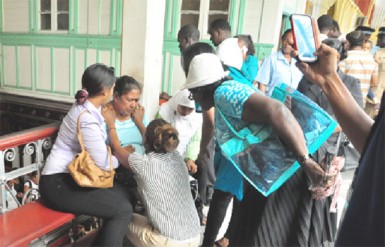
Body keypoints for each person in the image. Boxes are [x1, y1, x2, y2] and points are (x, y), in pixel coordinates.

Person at [182, 48, 327, 246]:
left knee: (264, 234)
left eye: (193, 94)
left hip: (286, 166)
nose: (195, 100)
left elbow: (277, 110)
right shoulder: (228, 89)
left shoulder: (225, 93)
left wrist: (306, 161)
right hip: (274, 168)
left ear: (201, 89)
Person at [295, 42, 384, 247]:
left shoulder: (351, 82)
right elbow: (375, 145)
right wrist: (328, 80)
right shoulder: (307, 81)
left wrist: (322, 126)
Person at [39, 63, 133, 246]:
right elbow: (104, 163)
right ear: (105, 91)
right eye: (113, 86)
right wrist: (121, 157)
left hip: (75, 175)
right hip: (58, 183)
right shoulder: (87, 118)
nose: (114, 90)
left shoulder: (91, 107)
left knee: (126, 195)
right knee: (122, 210)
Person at [102, 115, 201, 247]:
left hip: (169, 242)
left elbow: (117, 149)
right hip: (195, 236)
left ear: (145, 140)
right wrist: (138, 121)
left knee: (118, 217)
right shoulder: (177, 157)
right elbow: (154, 139)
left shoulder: (143, 164)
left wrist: (110, 124)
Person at [298, 38, 363, 171]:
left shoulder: (350, 83)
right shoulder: (307, 79)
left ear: (336, 57)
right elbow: (297, 107)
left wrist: (326, 130)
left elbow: (356, 119)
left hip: (331, 145)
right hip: (303, 142)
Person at [157, 89, 202, 174]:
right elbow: (157, 135)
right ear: (177, 102)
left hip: (181, 161)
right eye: (183, 107)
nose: (186, 112)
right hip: (162, 158)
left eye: (190, 109)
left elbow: (195, 141)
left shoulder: (197, 118)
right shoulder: (165, 111)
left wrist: (190, 159)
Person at [105, 75, 148, 155]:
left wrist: (139, 122)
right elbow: (97, 150)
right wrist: (117, 152)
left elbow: (152, 143)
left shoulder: (140, 114)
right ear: (116, 96)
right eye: (130, 100)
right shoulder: (105, 114)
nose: (133, 105)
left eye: (137, 100)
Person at [255, 29, 303, 96]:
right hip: (273, 103)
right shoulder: (271, 59)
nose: (286, 44)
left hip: (293, 103)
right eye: (285, 40)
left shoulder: (299, 61)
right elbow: (262, 83)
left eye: (290, 42)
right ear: (281, 39)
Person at [339, 30, 378, 110]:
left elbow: (338, 79)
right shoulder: (372, 59)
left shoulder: (344, 58)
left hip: (343, 101)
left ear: (348, 42)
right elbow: (374, 83)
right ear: (363, 42)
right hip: (360, 103)